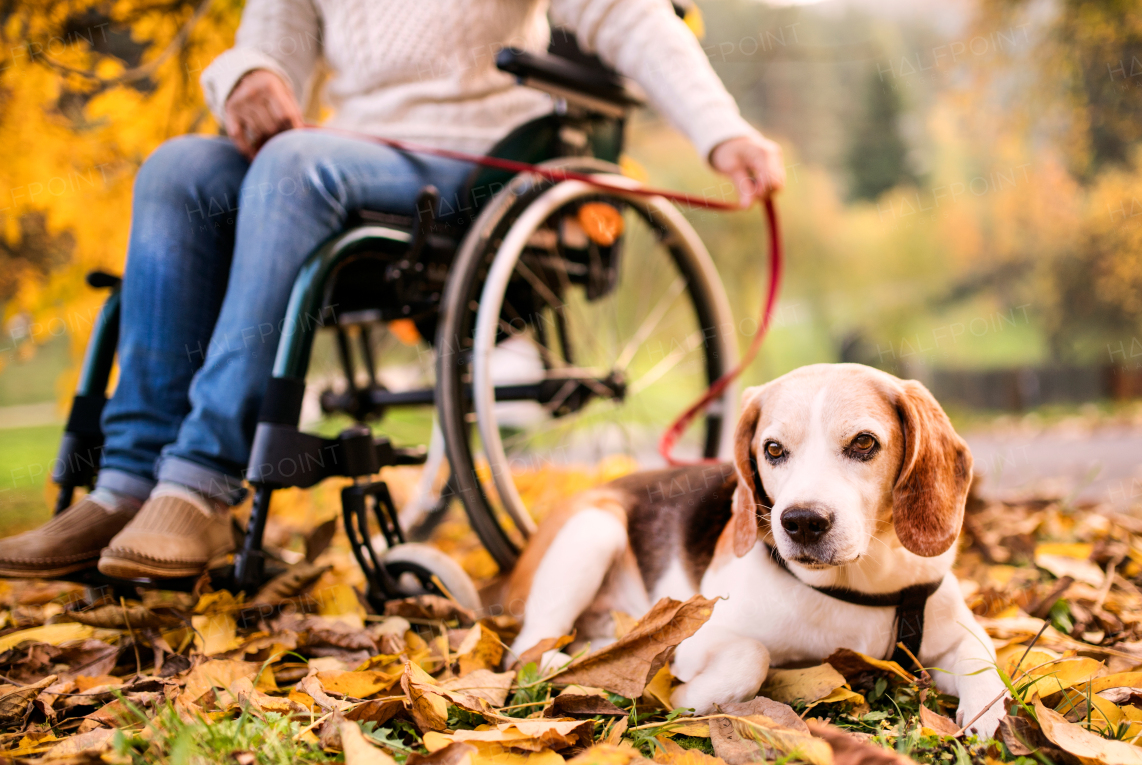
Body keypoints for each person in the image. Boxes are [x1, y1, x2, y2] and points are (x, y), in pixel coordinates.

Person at [0, 0, 785, 581]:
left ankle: (200, 482)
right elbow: (269, 43)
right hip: (344, 152)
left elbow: (627, 16)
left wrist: (723, 132)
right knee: (179, 169)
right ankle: (126, 484)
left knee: (296, 164)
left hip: (480, 162)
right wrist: (253, 79)